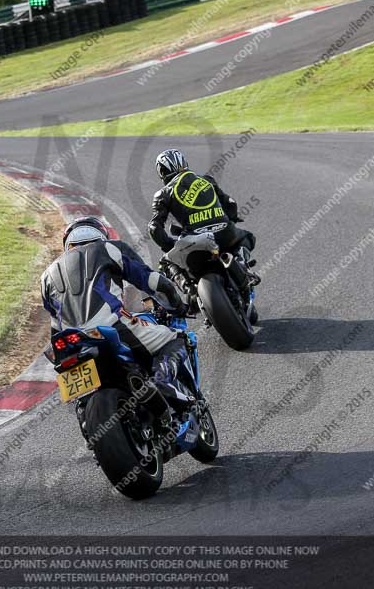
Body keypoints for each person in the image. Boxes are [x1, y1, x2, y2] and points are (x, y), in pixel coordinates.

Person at [40, 216, 191, 426]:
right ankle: (163, 382)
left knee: (78, 391)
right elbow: (154, 282)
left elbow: (55, 323)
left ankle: (86, 419)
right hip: (111, 328)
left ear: (68, 244)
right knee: (178, 339)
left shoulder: (46, 275)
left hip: (70, 343)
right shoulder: (109, 249)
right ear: (101, 236)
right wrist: (178, 307)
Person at [148, 149, 260, 305]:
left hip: (194, 240)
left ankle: (189, 290)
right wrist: (231, 218)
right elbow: (230, 203)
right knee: (248, 237)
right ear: (184, 163)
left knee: (166, 262)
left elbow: (154, 228)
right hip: (224, 232)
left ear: (162, 172)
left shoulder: (163, 194)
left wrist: (170, 246)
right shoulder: (206, 179)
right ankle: (242, 266)